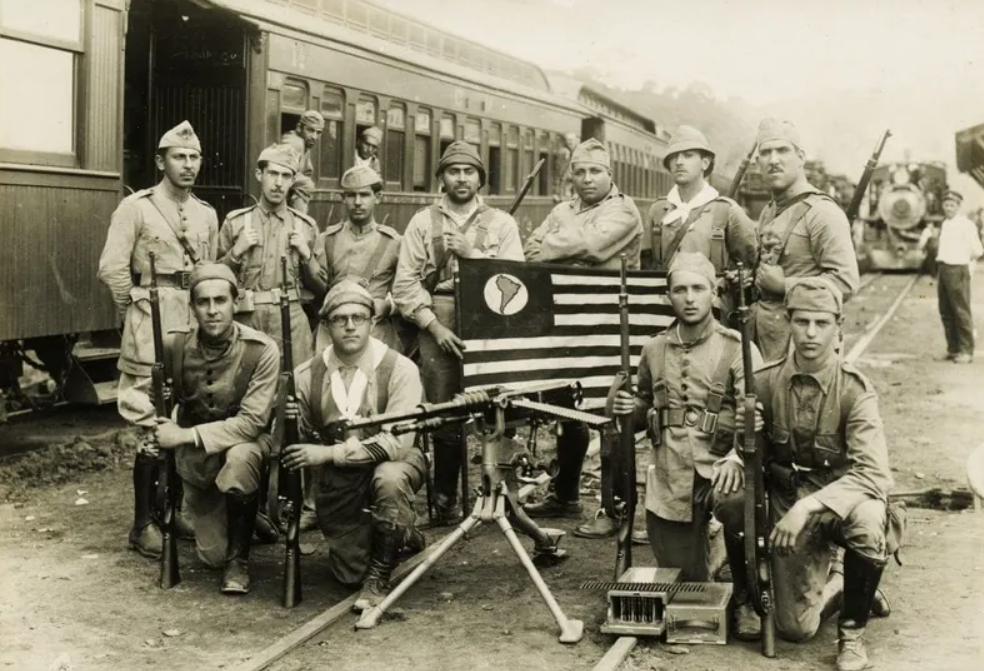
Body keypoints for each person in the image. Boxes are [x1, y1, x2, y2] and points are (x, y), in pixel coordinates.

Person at [724, 277, 900, 671]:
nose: (810, 333)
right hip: (786, 498)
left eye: (822, 323)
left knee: (871, 520)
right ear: (788, 322)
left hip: (838, 500)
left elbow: (873, 473)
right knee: (796, 629)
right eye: (802, 322)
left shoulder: (854, 390)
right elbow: (752, 462)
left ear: (839, 326)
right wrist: (746, 435)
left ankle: (852, 634)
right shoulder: (765, 382)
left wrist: (807, 507)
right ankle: (840, 585)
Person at [97, 120, 217, 559]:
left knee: (184, 418)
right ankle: (142, 523)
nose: (187, 165)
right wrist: (136, 313)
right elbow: (111, 267)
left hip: (192, 324)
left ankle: (176, 510)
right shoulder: (137, 207)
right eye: (178, 157)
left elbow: (211, 272)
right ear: (160, 162)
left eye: (194, 158)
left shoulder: (206, 213)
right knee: (151, 421)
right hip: (150, 322)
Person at [392, 141, 524, 524]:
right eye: (454, 171)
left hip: (492, 318)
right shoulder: (422, 222)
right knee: (444, 410)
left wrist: (472, 254)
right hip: (441, 315)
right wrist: (433, 326)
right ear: (442, 177)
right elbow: (406, 284)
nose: (462, 178)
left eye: (469, 171)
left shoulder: (502, 223)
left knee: (501, 407)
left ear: (480, 178)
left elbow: (516, 280)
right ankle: (446, 498)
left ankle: (505, 497)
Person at [611, 252, 762, 586]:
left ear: (714, 292)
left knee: (739, 506)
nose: (690, 298)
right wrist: (627, 407)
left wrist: (738, 458)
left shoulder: (737, 347)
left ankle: (744, 592)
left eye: (699, 288)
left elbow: (759, 413)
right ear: (668, 297)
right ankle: (713, 549)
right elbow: (645, 401)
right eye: (680, 290)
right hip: (671, 472)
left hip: (722, 468)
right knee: (688, 586)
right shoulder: (654, 349)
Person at [523, 138, 643, 540]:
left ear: (611, 174)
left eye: (595, 171)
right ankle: (566, 494)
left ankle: (616, 508)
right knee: (566, 409)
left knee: (611, 415)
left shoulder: (624, 210)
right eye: (579, 171)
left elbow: (591, 248)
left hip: (610, 325)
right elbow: (530, 251)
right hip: (569, 320)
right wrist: (575, 248)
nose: (587, 178)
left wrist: (567, 246)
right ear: (571, 175)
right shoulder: (563, 209)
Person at [283, 281, 426, 610]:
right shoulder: (307, 373)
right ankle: (402, 534)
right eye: (340, 318)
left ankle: (379, 576)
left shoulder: (400, 369)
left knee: (389, 479)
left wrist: (329, 453)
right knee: (348, 574)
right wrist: (289, 418)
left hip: (393, 463)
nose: (350, 326)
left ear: (372, 323)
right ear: (326, 325)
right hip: (339, 478)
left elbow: (398, 442)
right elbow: (298, 440)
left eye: (359, 318)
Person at [153, 264, 280, 594]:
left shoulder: (262, 349)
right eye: (203, 302)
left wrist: (183, 435)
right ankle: (248, 518)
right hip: (200, 460)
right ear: (192, 307)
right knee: (211, 556)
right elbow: (161, 399)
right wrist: (161, 407)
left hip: (246, 446)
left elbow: (253, 422)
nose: (212, 310)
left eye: (221, 300)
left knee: (241, 456)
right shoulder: (174, 345)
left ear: (235, 303)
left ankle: (239, 562)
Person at [218, 143, 323, 529]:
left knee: (297, 405)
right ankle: (250, 499)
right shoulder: (235, 223)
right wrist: (236, 252)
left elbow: (323, 287)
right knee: (247, 407)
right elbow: (214, 280)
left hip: (291, 320)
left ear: (293, 181)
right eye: (272, 174)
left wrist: (306, 255)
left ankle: (300, 500)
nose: (278, 183)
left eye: (286, 176)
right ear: (259, 175)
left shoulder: (305, 227)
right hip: (247, 321)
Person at [751, 118, 860, 361]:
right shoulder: (769, 211)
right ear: (758, 162)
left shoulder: (822, 212)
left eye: (782, 150)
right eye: (766, 153)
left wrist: (784, 285)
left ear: (801, 157)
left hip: (806, 347)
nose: (773, 159)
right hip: (767, 342)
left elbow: (846, 282)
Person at [644, 125, 757, 325]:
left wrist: (741, 277)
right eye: (674, 157)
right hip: (666, 314)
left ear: (705, 162)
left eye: (688, 155)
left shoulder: (727, 211)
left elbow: (750, 266)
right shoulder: (658, 211)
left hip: (714, 318)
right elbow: (648, 266)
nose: (679, 162)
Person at [314, 165, 402, 353]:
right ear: (343, 198)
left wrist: (388, 306)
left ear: (377, 198)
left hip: (374, 332)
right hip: (333, 333)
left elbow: (406, 290)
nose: (358, 202)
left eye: (364, 195)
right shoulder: (326, 239)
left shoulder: (393, 243)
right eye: (351, 195)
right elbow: (318, 289)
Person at [932, 190, 983, 363]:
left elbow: (978, 250)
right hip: (944, 269)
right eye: (946, 205)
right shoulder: (945, 223)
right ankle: (953, 349)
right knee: (946, 311)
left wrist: (966, 266)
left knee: (961, 311)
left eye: (952, 205)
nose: (949, 208)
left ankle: (967, 352)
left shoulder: (966, 225)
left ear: (958, 207)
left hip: (958, 269)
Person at [280, 110, 325, 215]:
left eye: (318, 132)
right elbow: (284, 170)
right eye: (310, 130)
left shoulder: (304, 144)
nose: (314, 137)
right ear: (299, 128)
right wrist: (306, 184)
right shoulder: (295, 143)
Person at [552, 131, 579, 202]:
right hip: (566, 185)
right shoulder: (564, 152)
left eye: (571, 140)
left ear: (576, 141)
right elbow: (560, 173)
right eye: (568, 140)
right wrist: (557, 193)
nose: (570, 142)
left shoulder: (578, 152)